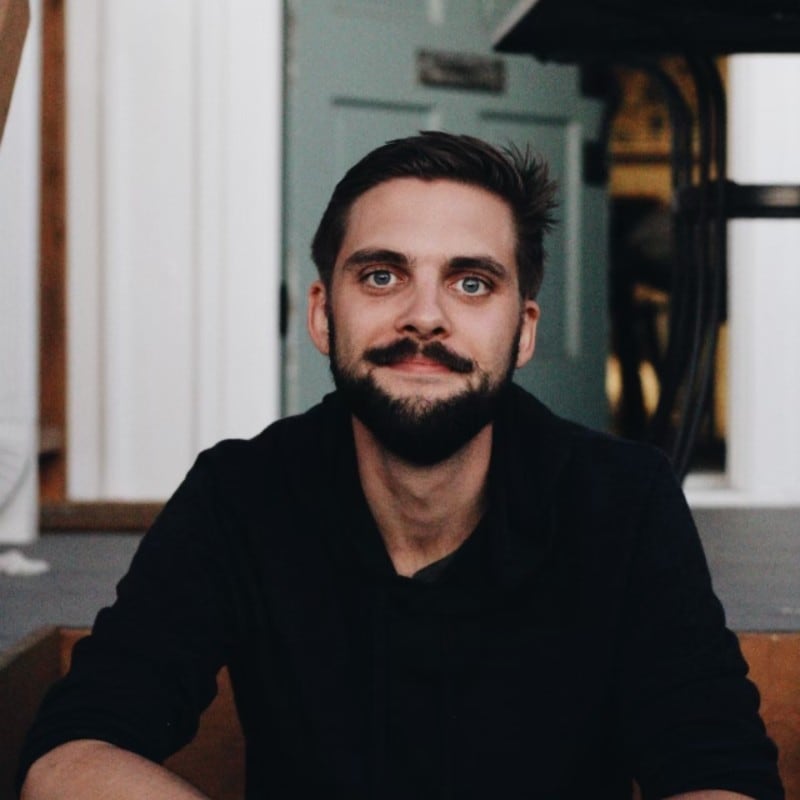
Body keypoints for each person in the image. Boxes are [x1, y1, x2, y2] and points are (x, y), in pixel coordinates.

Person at [18, 132, 783, 799]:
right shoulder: (242, 494)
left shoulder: (622, 500)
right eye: (382, 275)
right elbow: (70, 758)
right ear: (324, 313)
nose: (424, 315)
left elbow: (721, 774)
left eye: (472, 282)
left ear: (522, 330)